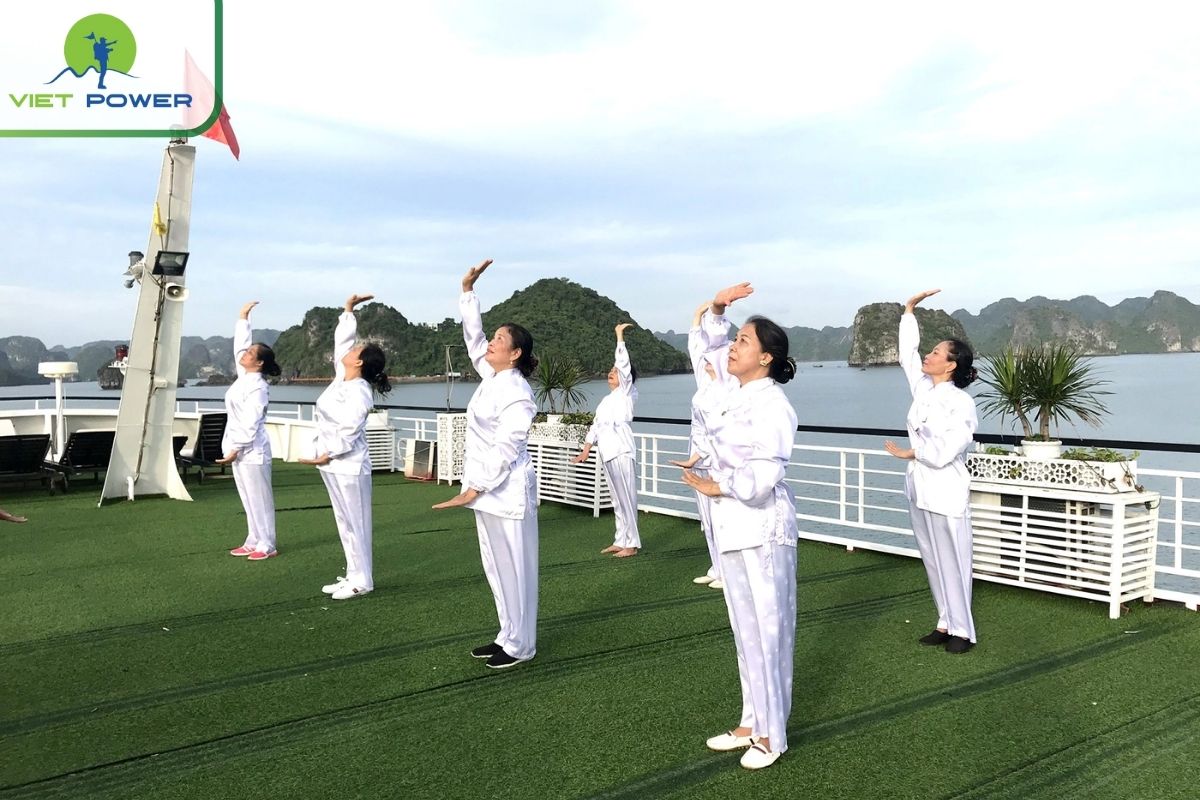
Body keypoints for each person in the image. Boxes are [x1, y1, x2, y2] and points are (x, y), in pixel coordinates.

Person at [681, 286, 799, 771]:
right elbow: (707, 349)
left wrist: (717, 486)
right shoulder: (733, 394)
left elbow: (763, 476)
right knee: (744, 630)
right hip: (733, 529)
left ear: (766, 358)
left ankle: (773, 735)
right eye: (737, 339)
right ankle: (751, 720)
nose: (734, 346)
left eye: (744, 341)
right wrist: (717, 310)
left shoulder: (773, 406)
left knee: (770, 632)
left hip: (763, 529)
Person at [433, 260, 540, 670]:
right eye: (493, 337)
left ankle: (522, 645)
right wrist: (467, 290)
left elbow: (507, 445)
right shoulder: (492, 377)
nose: (490, 343)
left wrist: (474, 486)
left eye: (500, 340)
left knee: (517, 570)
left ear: (515, 354)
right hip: (486, 493)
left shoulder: (517, 391)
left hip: (506, 491)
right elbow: (472, 336)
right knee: (496, 568)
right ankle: (506, 635)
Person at [884, 289, 979, 654]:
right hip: (920, 486)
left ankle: (963, 631)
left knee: (954, 557)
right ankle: (944, 621)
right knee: (932, 557)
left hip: (946, 486)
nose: (930, 355)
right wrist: (908, 313)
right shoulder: (923, 389)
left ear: (951, 364)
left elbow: (954, 444)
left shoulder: (961, 401)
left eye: (937, 352)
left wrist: (915, 451)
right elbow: (907, 354)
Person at [300, 293, 391, 601]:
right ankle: (353, 574)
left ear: (360, 361)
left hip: (348, 464)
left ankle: (364, 580)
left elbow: (351, 428)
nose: (348, 350)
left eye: (355, 350)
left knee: (358, 522)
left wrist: (328, 453)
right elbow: (342, 344)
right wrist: (348, 312)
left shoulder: (360, 391)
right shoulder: (343, 379)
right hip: (331, 464)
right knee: (344, 521)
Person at [670, 289, 751, 589]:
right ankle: (718, 566)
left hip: (722, 462)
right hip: (702, 459)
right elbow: (698, 346)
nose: (703, 360)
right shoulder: (704, 384)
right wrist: (696, 317)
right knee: (707, 517)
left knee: (724, 515)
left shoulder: (730, 385)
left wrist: (715, 311)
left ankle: (731, 572)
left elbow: (714, 340)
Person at [220, 301, 282, 561]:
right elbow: (239, 347)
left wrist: (237, 448)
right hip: (239, 448)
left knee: (260, 498)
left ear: (258, 364)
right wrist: (243, 317)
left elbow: (251, 422)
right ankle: (253, 539)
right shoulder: (244, 378)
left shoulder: (258, 387)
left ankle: (267, 543)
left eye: (250, 353)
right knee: (247, 497)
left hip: (252, 450)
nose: (244, 354)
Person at [572, 323, 641, 557]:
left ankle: (631, 543)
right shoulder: (606, 400)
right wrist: (586, 450)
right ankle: (620, 539)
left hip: (622, 450)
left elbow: (623, 365)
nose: (610, 373)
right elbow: (596, 427)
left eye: (614, 371)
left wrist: (619, 337)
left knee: (627, 497)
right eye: (609, 371)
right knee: (617, 498)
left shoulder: (627, 393)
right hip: (608, 451)